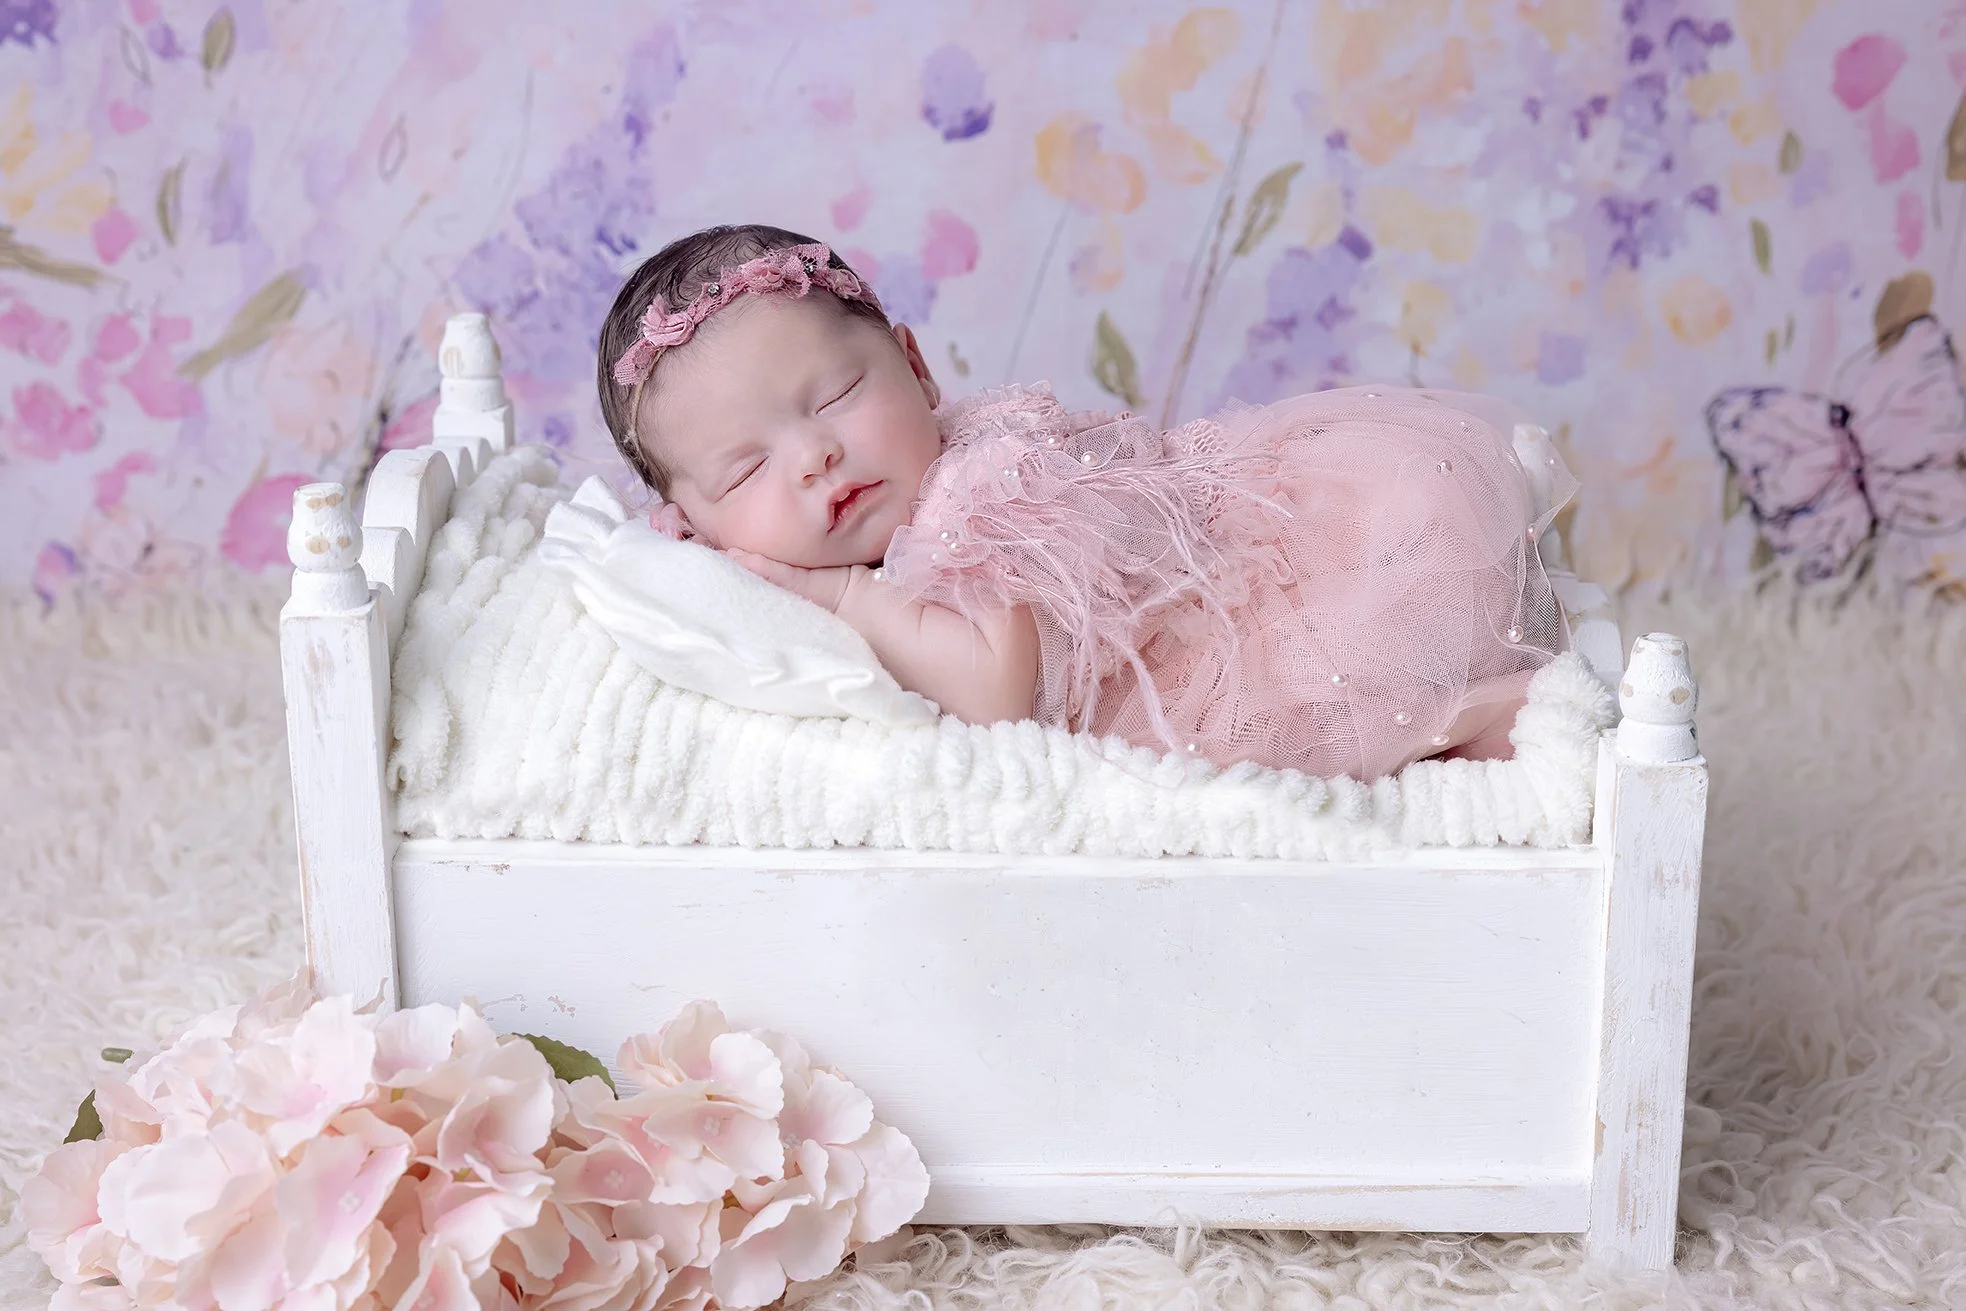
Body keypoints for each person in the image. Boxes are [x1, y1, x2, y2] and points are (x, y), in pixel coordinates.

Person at [594, 224, 1573, 780]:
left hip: (1261, 606)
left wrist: (840, 596)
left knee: (1383, 691)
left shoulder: (979, 488)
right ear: (694, 526)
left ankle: (1532, 673)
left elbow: (994, 692)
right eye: (745, 472)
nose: (814, 456)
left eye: (837, 396)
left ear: (914, 366)